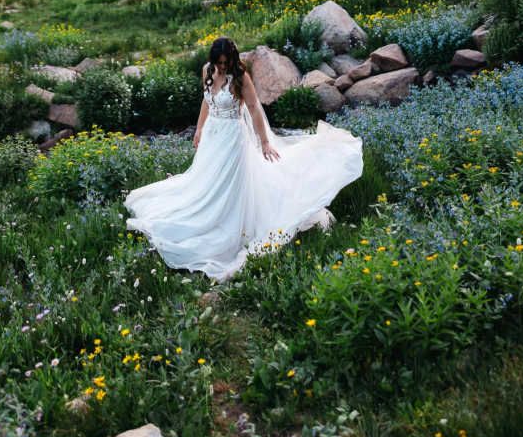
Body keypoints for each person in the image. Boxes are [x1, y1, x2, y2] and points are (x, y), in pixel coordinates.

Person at [125, 36, 363, 282]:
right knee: (207, 181)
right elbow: (206, 100)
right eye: (219, 62)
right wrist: (199, 129)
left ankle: (226, 222)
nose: (222, 67)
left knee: (230, 183)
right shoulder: (207, 70)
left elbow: (253, 109)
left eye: (226, 62)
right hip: (213, 135)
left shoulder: (240, 77)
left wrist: (264, 142)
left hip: (233, 137)